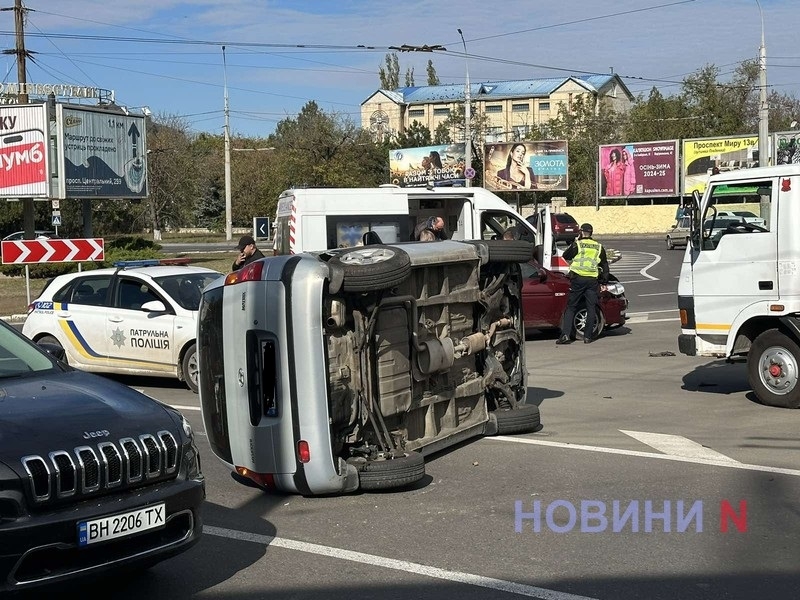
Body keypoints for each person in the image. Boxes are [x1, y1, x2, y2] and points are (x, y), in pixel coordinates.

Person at [556, 223, 609, 345]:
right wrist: (604, 280)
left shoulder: (578, 244)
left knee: (571, 307)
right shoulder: (598, 247)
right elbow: (604, 265)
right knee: (591, 307)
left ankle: (565, 336)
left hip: (578, 279)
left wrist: (575, 242)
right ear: (591, 233)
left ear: (581, 232)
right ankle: (588, 337)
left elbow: (565, 255)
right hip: (592, 280)